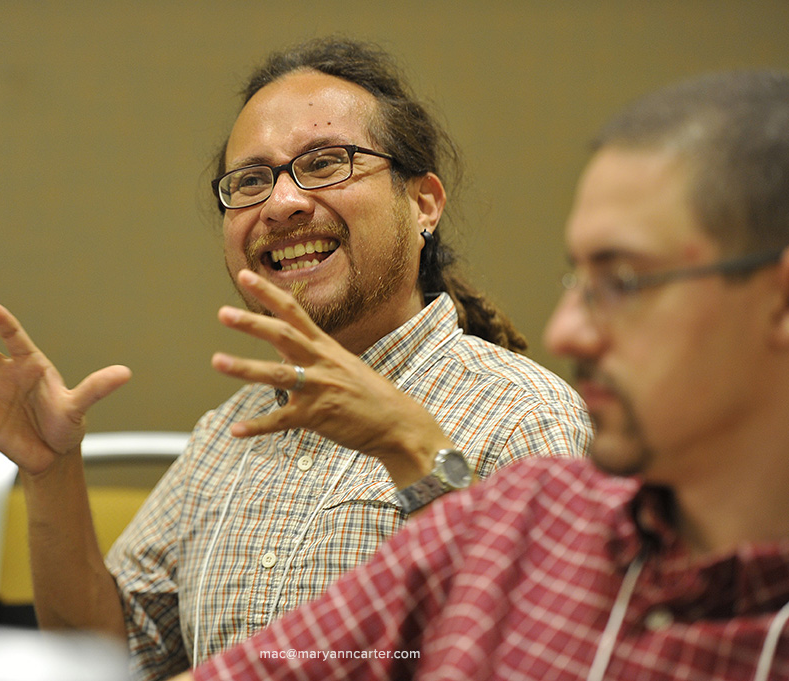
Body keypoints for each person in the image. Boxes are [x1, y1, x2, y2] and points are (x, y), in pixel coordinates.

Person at [0, 38, 591, 679]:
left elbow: (546, 651)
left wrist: (415, 454)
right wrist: (51, 471)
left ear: (422, 203)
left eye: (326, 162)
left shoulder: (523, 415)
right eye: (250, 181)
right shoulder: (229, 432)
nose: (281, 203)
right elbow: (107, 657)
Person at [170, 68, 789, 681]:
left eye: (624, 281)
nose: (564, 332)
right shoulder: (545, 503)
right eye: (579, 282)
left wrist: (414, 446)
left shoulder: (528, 420)